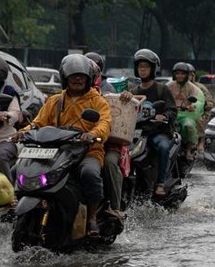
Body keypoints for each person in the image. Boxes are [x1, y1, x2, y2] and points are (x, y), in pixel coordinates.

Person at [22, 54, 111, 235]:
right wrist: (22, 133)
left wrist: (92, 134)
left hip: (88, 151)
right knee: (23, 167)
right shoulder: (55, 100)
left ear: (88, 78)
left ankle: (92, 217)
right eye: (73, 75)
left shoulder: (97, 101)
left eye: (81, 76)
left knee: (90, 173)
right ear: (65, 78)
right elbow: (38, 122)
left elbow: (105, 123)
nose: (77, 79)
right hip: (57, 150)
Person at [120, 48, 177, 196]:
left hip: (156, 132)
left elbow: (172, 110)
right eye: (140, 67)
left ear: (153, 69)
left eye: (146, 67)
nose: (143, 70)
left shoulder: (162, 89)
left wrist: (163, 116)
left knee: (163, 147)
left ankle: (160, 183)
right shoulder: (133, 90)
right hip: (137, 133)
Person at [87, 51, 128, 218]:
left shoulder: (106, 91)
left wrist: (126, 96)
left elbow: (109, 117)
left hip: (104, 141)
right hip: (78, 141)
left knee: (110, 162)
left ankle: (115, 207)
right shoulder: (67, 93)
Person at [166, 61, 205, 161]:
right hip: (171, 113)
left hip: (186, 115)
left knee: (189, 125)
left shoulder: (193, 88)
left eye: (182, 74)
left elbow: (199, 100)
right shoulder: (168, 86)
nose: (179, 76)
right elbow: (162, 97)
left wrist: (193, 106)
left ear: (187, 75)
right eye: (177, 73)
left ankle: (188, 150)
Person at [187, 64, 215, 155]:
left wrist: (206, 105)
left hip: (199, 112)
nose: (186, 77)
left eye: (189, 74)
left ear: (193, 76)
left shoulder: (199, 87)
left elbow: (209, 101)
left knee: (198, 119)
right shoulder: (177, 87)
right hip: (182, 112)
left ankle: (200, 141)